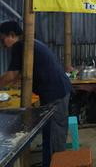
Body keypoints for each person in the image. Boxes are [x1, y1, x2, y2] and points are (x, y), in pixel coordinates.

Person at [0, 21, 72, 167]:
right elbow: (21, 73)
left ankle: (56, 163)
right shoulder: (30, 42)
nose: (2, 45)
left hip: (55, 93)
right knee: (49, 134)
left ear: (12, 35)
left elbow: (11, 75)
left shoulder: (20, 46)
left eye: (2, 40)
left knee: (54, 138)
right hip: (57, 91)